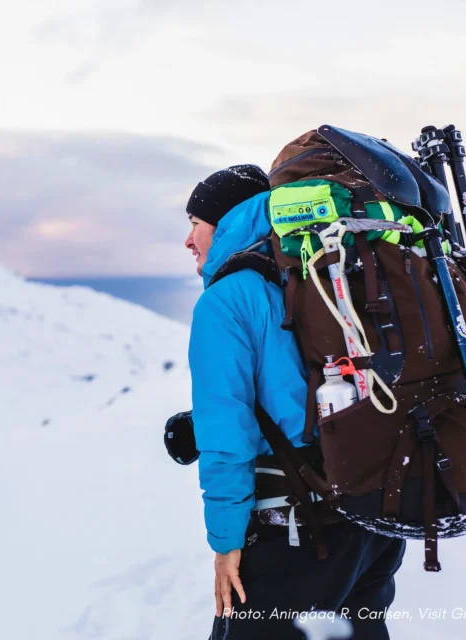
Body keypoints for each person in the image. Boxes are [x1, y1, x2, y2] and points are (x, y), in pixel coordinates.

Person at [183, 165, 405, 640]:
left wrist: (225, 543)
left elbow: (227, 439)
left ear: (224, 224)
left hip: (296, 527)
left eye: (194, 223)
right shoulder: (327, 272)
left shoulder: (227, 299)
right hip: (370, 513)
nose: (188, 240)